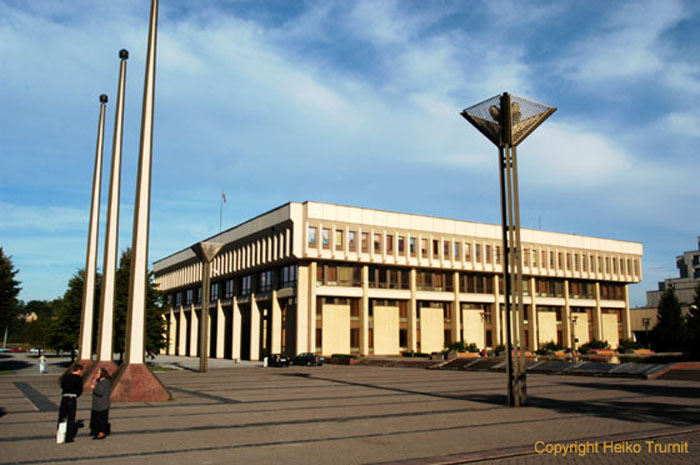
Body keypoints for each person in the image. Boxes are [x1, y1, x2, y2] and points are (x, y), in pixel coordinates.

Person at [58, 364, 83, 443]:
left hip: (64, 397)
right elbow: (79, 390)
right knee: (71, 418)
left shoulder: (66, 377)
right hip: (72, 398)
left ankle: (60, 435)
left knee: (62, 416)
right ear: (79, 370)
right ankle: (68, 437)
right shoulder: (79, 378)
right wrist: (76, 394)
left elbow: (62, 386)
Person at [89, 368, 111, 439]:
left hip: (102, 404)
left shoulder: (104, 382)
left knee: (102, 418)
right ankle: (96, 430)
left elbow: (100, 392)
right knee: (96, 417)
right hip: (97, 404)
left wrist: (94, 387)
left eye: (98, 373)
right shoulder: (100, 381)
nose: (96, 374)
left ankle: (102, 432)